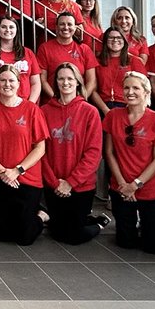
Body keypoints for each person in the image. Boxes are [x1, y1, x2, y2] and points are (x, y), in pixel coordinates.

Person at [0, 66, 50, 245]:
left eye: (11, 80)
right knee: (3, 235)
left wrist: (17, 170)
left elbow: (40, 148)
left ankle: (41, 215)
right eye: (3, 80)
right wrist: (2, 170)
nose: (7, 84)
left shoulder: (31, 110)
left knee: (25, 238)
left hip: (26, 178)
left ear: (19, 83)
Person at [103, 70, 155, 254]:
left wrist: (135, 185)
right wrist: (123, 184)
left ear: (146, 92)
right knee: (126, 242)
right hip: (121, 187)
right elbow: (109, 153)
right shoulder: (113, 116)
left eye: (135, 88)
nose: (130, 92)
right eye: (126, 88)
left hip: (149, 187)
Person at [41, 63, 107, 245]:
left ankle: (99, 223)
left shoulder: (90, 111)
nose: (65, 82)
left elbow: (94, 153)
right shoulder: (44, 111)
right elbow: (40, 151)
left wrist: (70, 182)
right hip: (53, 185)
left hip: (80, 186)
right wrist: (55, 183)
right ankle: (82, 220)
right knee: (57, 232)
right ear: (55, 82)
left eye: (70, 78)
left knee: (74, 236)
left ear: (78, 82)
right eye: (61, 78)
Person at [0, 15, 41, 103]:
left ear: (16, 30)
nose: (8, 30)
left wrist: (29, 105)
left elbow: (36, 83)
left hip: (25, 104)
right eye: (3, 27)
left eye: (11, 27)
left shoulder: (28, 53)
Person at [37, 13, 98, 100]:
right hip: (52, 102)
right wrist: (57, 99)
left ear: (75, 28)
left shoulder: (85, 49)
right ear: (56, 27)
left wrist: (80, 100)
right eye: (62, 24)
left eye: (69, 24)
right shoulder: (45, 48)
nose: (66, 27)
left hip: (79, 103)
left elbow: (92, 81)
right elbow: (42, 80)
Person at [91, 27, 134, 115]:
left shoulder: (134, 61)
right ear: (106, 41)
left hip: (128, 107)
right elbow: (93, 90)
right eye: (111, 37)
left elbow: (142, 89)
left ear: (124, 41)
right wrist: (105, 110)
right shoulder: (96, 61)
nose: (115, 40)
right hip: (102, 106)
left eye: (119, 37)